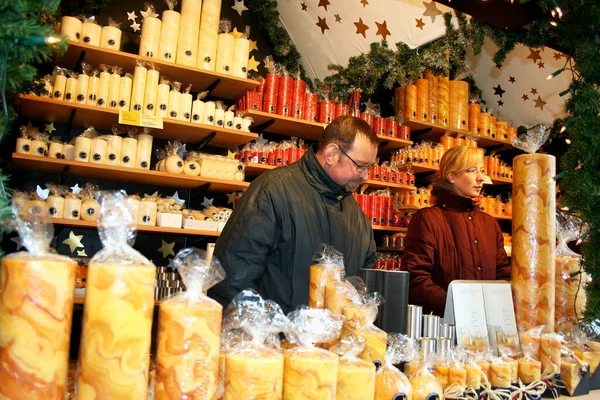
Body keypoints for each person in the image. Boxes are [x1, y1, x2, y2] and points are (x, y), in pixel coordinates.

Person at [210, 115, 379, 313]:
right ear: (331, 154)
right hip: (275, 341)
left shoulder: (358, 217)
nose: (366, 176)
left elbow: (362, 287)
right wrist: (262, 336)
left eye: (370, 167)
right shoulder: (273, 191)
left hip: (333, 344)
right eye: (360, 165)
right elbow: (231, 278)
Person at [401, 145, 511, 316]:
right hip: (441, 328)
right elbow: (416, 279)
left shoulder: (490, 224)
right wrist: (459, 307)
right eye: (472, 170)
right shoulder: (427, 219)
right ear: (451, 176)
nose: (481, 178)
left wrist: (495, 307)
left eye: (482, 171)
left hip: (487, 326)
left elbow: (503, 275)